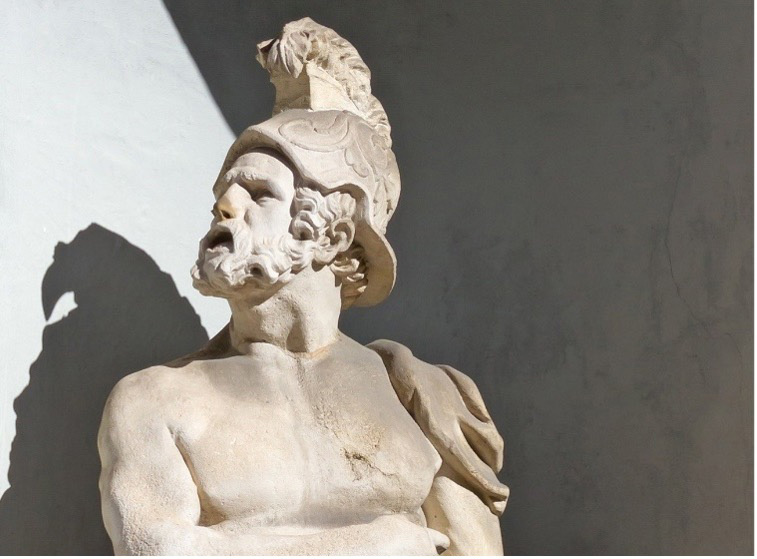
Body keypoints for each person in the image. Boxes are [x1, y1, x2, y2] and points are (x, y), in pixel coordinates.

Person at [98, 18, 508, 555]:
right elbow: (156, 549)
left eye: (258, 193)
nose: (225, 206)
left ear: (331, 235)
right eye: (225, 192)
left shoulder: (421, 398)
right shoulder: (153, 398)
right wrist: (373, 545)